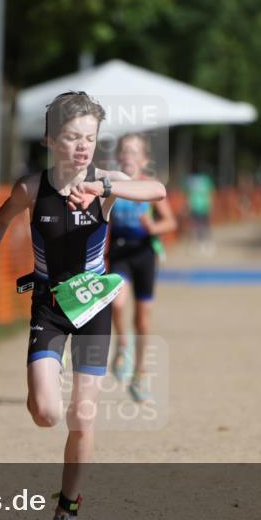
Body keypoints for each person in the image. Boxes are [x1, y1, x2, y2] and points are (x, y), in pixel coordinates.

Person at [0, 91, 166, 520]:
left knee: (82, 415)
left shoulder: (105, 181)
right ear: (51, 140)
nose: (82, 147)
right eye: (72, 137)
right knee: (46, 413)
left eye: (89, 138)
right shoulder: (32, 189)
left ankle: (66, 512)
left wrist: (105, 189)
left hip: (93, 309)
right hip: (50, 310)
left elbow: (157, 190)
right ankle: (60, 484)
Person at [107, 133, 178, 402]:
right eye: (125, 151)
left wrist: (154, 227)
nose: (128, 156)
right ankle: (122, 344)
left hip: (144, 253)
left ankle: (140, 374)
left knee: (143, 319)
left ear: (145, 159)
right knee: (116, 303)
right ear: (117, 157)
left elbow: (170, 222)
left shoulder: (150, 187)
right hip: (119, 252)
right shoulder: (110, 184)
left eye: (135, 152)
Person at [185, 167, 215, 254]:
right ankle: (199, 244)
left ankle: (205, 244)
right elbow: (210, 193)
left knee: (200, 227)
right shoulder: (202, 180)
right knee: (199, 227)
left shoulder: (191, 180)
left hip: (200, 206)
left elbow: (188, 194)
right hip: (199, 206)